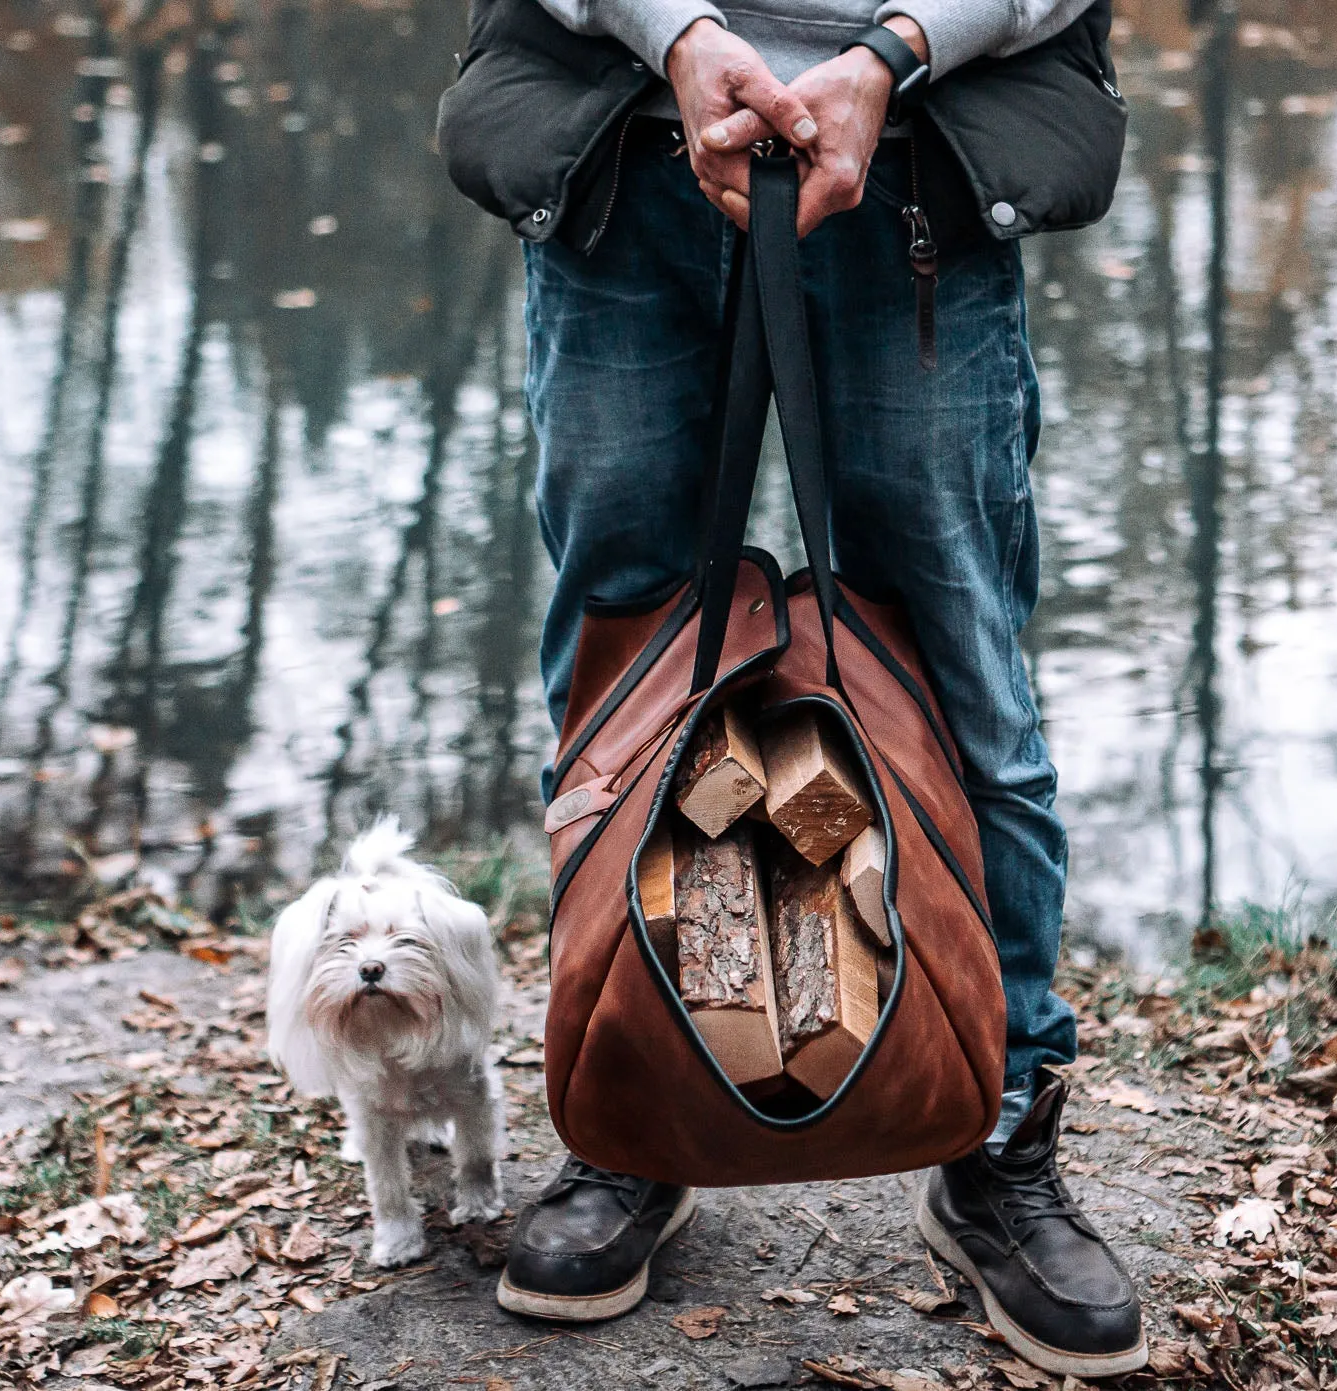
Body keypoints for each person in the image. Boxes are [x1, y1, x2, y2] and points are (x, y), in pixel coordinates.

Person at [447, 0, 1146, 1376]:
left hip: (920, 174)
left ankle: (998, 1137)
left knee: (964, 693)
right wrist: (677, 36)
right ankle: (631, 1117)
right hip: (626, 154)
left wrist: (892, 54)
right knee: (623, 682)